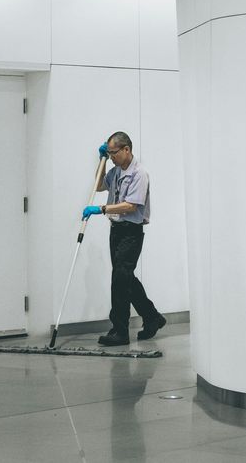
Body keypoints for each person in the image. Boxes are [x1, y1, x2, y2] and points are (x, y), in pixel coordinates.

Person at [82, 132, 167, 346]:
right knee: (125, 278)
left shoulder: (139, 174)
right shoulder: (115, 171)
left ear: (126, 149)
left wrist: (101, 209)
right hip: (117, 230)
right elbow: (99, 185)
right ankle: (152, 317)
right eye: (109, 153)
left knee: (120, 280)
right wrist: (101, 160)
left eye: (113, 153)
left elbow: (131, 206)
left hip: (131, 231)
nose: (112, 157)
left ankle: (120, 331)